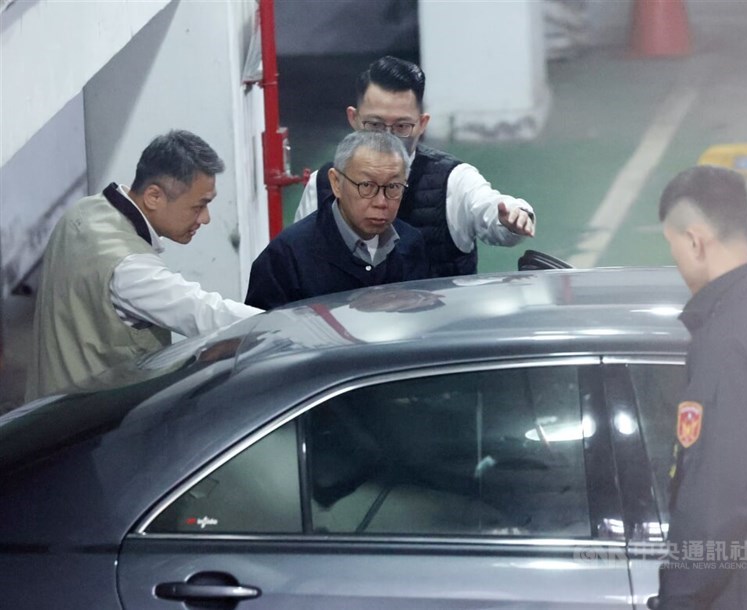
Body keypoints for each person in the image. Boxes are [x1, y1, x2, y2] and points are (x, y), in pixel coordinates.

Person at [656, 165, 747, 609]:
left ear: (695, 241)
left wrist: (676, 600)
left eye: (674, 247)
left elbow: (713, 505)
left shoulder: (723, 342)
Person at [26, 130, 260, 401]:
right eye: (199, 206)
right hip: (91, 425)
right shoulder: (128, 267)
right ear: (154, 197)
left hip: (45, 410)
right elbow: (203, 312)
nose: (205, 219)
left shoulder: (84, 211)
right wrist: (285, 325)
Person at [294, 55, 535, 278]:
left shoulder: (454, 181)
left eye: (401, 127)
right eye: (375, 125)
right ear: (353, 119)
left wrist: (512, 216)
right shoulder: (323, 184)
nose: (388, 138)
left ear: (422, 124)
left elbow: (490, 209)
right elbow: (298, 262)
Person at [246, 131, 428, 310]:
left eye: (393, 186)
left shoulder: (410, 243)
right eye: (366, 186)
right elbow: (262, 336)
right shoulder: (286, 256)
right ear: (336, 183)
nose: (381, 202)